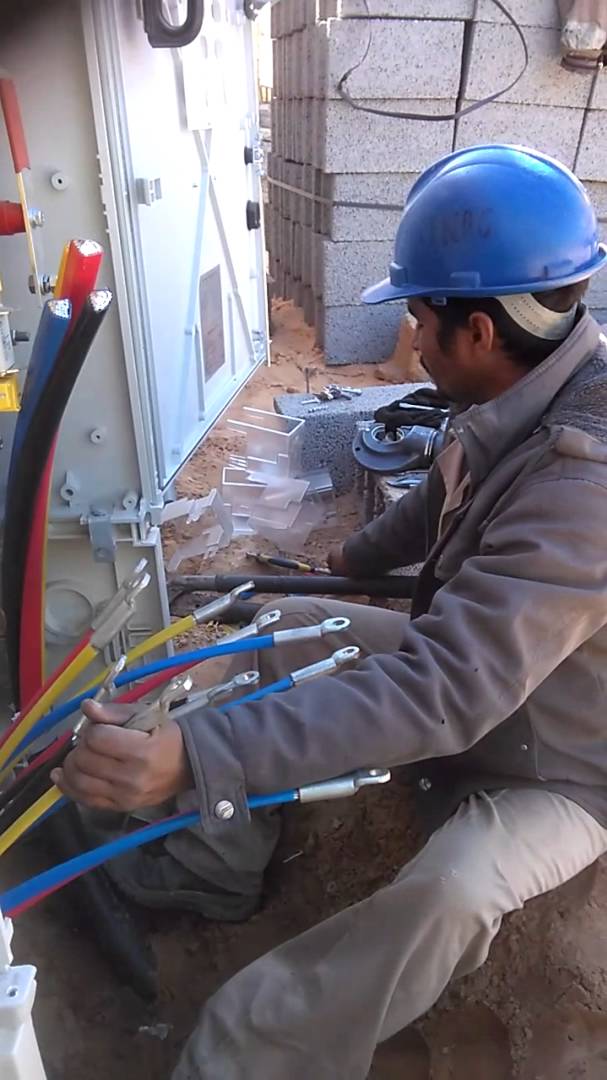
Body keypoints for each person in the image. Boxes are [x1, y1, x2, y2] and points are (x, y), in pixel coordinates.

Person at [53, 145, 607, 1079]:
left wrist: (196, 757)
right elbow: (441, 500)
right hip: (475, 668)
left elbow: (440, 694)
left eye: (418, 317)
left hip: (559, 761)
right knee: (277, 628)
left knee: (448, 894)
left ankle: (239, 1054)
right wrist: (346, 562)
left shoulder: (582, 488)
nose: (410, 341)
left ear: (477, 330)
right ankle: (209, 872)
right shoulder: (521, 394)